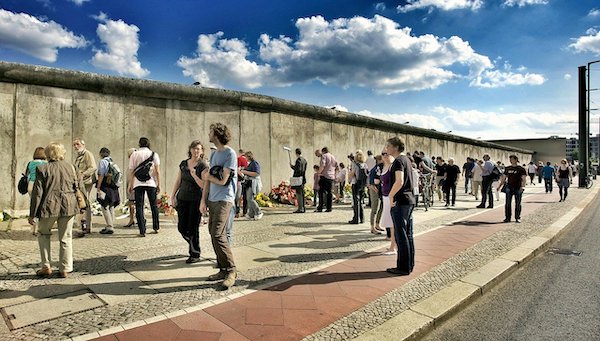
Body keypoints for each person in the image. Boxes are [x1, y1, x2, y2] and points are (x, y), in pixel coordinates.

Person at [28, 142, 86, 279]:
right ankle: (64, 269)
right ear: (62, 153)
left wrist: (33, 214)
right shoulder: (72, 167)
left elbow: (37, 193)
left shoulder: (42, 169)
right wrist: (85, 206)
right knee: (66, 237)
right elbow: (81, 188)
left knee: (43, 234)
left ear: (48, 154)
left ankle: (46, 266)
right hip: (69, 206)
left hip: (48, 207)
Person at [200, 123, 237, 289]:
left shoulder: (230, 154)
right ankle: (222, 269)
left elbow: (223, 181)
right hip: (213, 199)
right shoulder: (214, 154)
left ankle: (231, 270)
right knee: (212, 233)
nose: (208, 133)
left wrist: (208, 177)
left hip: (225, 199)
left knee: (218, 234)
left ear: (217, 134)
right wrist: (203, 200)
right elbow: (208, 181)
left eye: (210, 131)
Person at [172, 140, 207, 264]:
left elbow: (204, 185)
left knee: (193, 228)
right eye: (194, 148)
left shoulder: (203, 165)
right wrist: (173, 196)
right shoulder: (183, 164)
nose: (196, 151)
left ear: (202, 151)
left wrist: (194, 176)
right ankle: (193, 244)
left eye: (198, 149)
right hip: (182, 199)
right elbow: (178, 181)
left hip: (195, 200)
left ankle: (195, 254)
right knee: (182, 227)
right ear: (190, 150)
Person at [386, 137, 416, 276]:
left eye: (389, 146)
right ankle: (409, 264)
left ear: (396, 147)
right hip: (409, 200)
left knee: (401, 234)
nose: (387, 149)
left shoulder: (398, 161)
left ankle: (403, 267)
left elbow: (399, 181)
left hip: (401, 200)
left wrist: (391, 195)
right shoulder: (407, 160)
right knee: (408, 234)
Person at [128, 137, 161, 237]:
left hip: (138, 183)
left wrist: (130, 184)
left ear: (139, 144)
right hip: (150, 182)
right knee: (153, 205)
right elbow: (157, 171)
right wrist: (159, 183)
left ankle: (142, 230)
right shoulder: (154, 154)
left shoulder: (134, 154)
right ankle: (156, 227)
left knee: (139, 206)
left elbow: (131, 171)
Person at [73, 138, 96, 237]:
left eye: (77, 144)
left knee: (84, 203)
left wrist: (83, 174)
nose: (76, 146)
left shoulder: (87, 154)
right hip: (80, 182)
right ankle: (85, 225)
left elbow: (93, 167)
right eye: (74, 145)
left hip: (86, 182)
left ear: (83, 144)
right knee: (82, 203)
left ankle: (86, 226)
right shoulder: (78, 156)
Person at [96, 148, 121, 235]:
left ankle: (110, 226)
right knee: (111, 206)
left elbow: (101, 175)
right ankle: (111, 224)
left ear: (101, 154)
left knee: (104, 206)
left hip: (105, 186)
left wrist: (98, 187)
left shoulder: (102, 162)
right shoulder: (112, 162)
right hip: (113, 187)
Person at [498, 155, 527, 223]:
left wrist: (522, 187)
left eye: (512, 159)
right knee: (508, 203)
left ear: (516, 160)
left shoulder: (521, 169)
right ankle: (507, 217)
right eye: (510, 159)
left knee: (518, 203)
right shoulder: (508, 168)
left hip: (518, 187)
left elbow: (524, 179)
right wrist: (499, 186)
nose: (511, 161)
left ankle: (517, 217)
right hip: (509, 187)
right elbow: (504, 178)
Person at [379, 151, 395, 253]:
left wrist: (392, 197)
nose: (385, 155)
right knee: (389, 222)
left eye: (387, 153)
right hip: (385, 196)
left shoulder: (392, 167)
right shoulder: (383, 166)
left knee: (392, 222)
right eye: (383, 154)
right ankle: (392, 245)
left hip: (390, 196)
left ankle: (393, 246)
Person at [240, 151, 263, 220]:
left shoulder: (254, 163)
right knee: (248, 199)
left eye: (245, 157)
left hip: (253, 183)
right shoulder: (249, 164)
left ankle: (258, 212)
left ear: (248, 156)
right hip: (249, 183)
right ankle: (251, 214)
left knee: (250, 199)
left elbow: (256, 173)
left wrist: (245, 172)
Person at [349, 150, 367, 224]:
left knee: (356, 201)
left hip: (355, 183)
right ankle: (362, 218)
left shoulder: (355, 164)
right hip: (362, 184)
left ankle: (356, 218)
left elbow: (352, 174)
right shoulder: (364, 164)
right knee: (361, 201)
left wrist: (349, 179)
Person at [316, 147, 337, 212]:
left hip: (324, 176)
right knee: (329, 193)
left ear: (323, 151)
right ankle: (329, 208)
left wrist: (319, 172)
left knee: (321, 192)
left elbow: (323, 165)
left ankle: (320, 207)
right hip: (331, 177)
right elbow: (336, 166)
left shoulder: (324, 156)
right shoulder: (333, 156)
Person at [368, 155, 383, 233]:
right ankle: (372, 226)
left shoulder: (381, 168)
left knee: (381, 208)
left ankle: (377, 224)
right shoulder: (374, 169)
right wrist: (376, 191)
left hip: (380, 190)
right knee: (374, 208)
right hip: (374, 189)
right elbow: (371, 184)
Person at [290, 148, 307, 213]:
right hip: (303, 178)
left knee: (299, 193)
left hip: (298, 179)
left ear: (296, 153)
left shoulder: (298, 160)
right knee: (302, 193)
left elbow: (298, 169)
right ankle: (303, 207)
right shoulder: (304, 160)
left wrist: (292, 167)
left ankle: (300, 208)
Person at [124, 148, 137, 227]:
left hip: (132, 187)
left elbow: (130, 178)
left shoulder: (131, 166)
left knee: (132, 203)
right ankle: (134, 219)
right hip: (135, 186)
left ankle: (132, 219)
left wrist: (130, 186)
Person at [236, 149, 249, 217]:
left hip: (240, 180)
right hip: (248, 180)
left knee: (238, 197)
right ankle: (245, 212)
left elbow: (237, 169)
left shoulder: (239, 158)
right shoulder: (248, 161)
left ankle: (237, 212)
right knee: (245, 197)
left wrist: (242, 176)